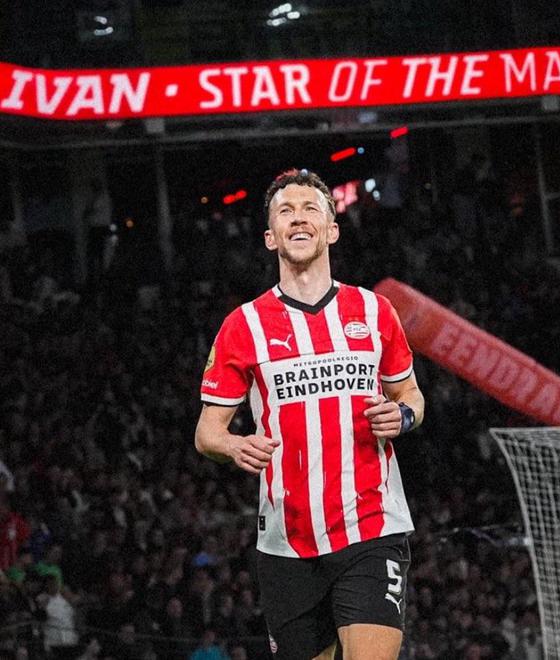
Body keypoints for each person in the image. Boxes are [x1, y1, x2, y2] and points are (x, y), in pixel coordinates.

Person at [195, 169, 424, 659]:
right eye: (286, 211)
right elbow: (207, 433)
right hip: (287, 543)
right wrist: (234, 444)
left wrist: (403, 415)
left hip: (371, 527)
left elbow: (410, 393)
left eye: (310, 209)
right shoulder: (243, 325)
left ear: (332, 229)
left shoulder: (374, 311)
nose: (298, 219)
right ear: (270, 237)